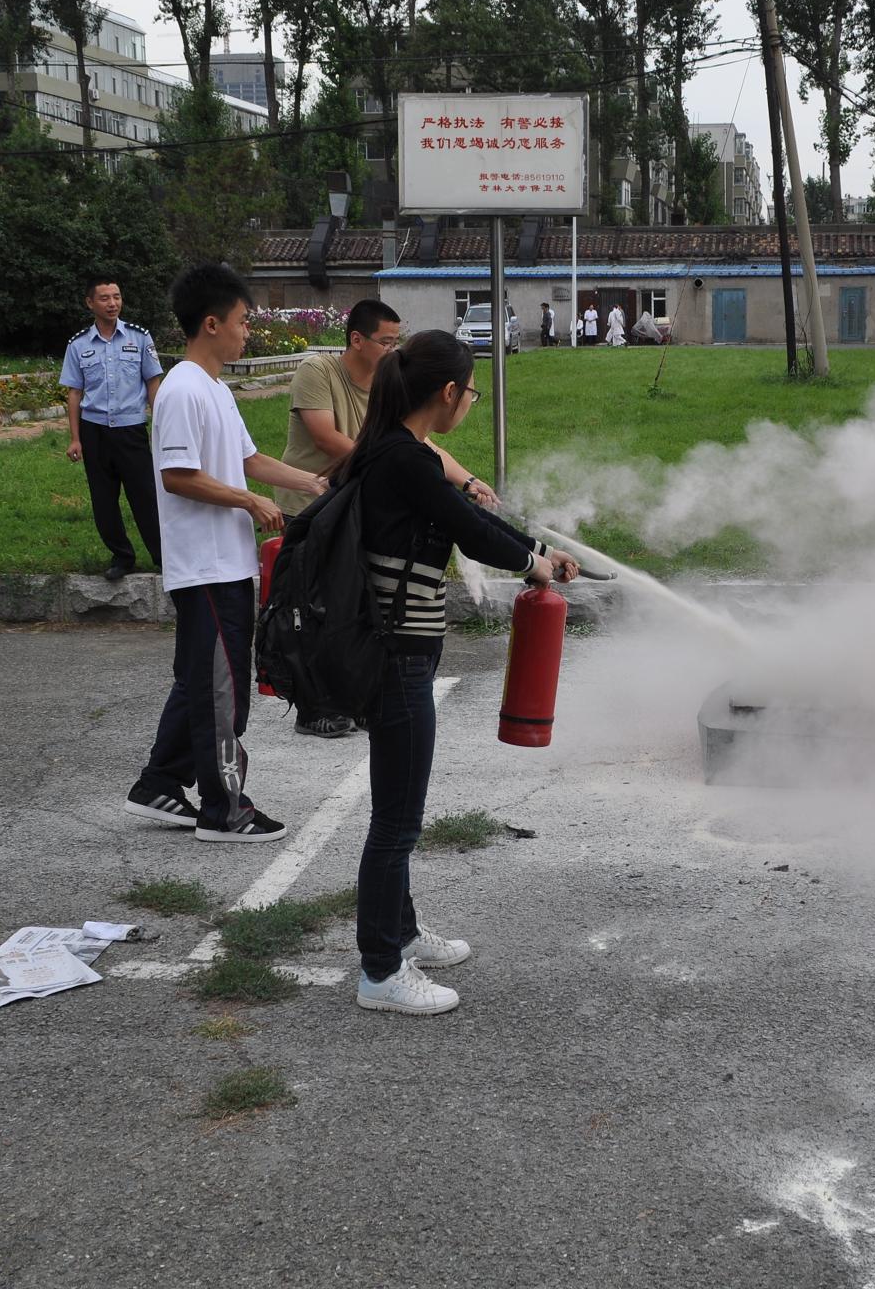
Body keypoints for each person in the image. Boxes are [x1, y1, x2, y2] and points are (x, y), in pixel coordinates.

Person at [342, 330, 578, 1016]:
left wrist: (536, 550)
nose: (471, 401)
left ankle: (401, 934)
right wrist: (535, 563)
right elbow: (469, 530)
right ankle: (380, 972)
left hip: (402, 654)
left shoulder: (397, 452)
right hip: (397, 659)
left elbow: (467, 517)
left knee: (397, 814)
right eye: (471, 392)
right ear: (448, 393)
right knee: (396, 822)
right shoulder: (404, 459)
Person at [121, 263, 327, 843]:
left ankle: (159, 783)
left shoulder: (214, 389)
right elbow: (178, 476)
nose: (247, 332)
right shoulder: (182, 389)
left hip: (226, 564)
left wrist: (315, 484)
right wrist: (249, 501)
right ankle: (225, 810)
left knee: (198, 681)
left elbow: (248, 460)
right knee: (222, 690)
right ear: (211, 324)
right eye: (242, 321)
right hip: (204, 567)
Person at [275, 298, 498, 739]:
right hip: (313, 506)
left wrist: (468, 480)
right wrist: (393, 464)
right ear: (356, 339)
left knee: (358, 609)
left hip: (360, 510)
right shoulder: (319, 372)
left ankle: (357, 693)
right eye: (386, 341)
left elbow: (421, 445)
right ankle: (314, 706)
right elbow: (326, 438)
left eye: (398, 341)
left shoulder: (389, 385)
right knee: (318, 609)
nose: (394, 350)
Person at [60, 278, 164, 581]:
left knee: (145, 496)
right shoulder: (78, 344)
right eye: (104, 298)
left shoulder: (139, 337)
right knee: (103, 500)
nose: (112, 303)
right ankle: (122, 556)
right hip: (95, 431)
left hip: (131, 430)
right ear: (90, 303)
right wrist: (75, 438)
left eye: (117, 297)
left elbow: (153, 383)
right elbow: (74, 393)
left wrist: (160, 425)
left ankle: (164, 557)